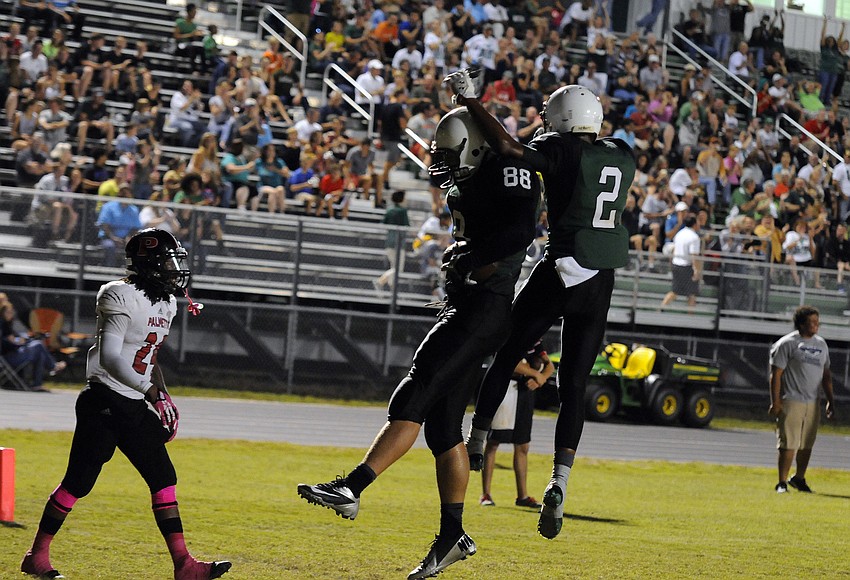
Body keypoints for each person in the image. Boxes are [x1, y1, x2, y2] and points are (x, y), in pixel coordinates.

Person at [297, 107, 539, 579]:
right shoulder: (470, 181)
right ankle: (453, 535)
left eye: (452, 152)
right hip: (469, 308)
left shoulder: (508, 171)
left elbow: (518, 232)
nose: (444, 161)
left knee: (414, 392)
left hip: (483, 308)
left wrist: (469, 259)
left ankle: (352, 488)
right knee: (443, 429)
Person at [448, 78, 635, 540]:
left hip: (563, 267)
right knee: (574, 385)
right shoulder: (623, 152)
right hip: (602, 278)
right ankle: (559, 483)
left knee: (508, 346)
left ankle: (479, 438)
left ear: (561, 120)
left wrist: (472, 102)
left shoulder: (561, 148)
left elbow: (512, 149)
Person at [20, 229, 231, 579]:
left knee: (163, 477)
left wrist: (162, 395)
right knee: (78, 484)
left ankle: (184, 565)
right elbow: (111, 358)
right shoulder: (119, 293)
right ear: (148, 263)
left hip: (132, 401)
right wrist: (150, 392)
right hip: (103, 399)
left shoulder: (167, 302)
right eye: (167, 261)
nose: (174, 268)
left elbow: (148, 357)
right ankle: (37, 555)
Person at [480, 339, 553, 510]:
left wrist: (540, 379)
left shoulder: (534, 341)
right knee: (493, 442)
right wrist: (534, 373)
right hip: (505, 390)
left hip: (524, 394)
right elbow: (509, 363)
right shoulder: (509, 335)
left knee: (522, 445)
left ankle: (522, 496)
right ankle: (486, 494)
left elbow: (549, 366)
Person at [769, 305, 835, 494]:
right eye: (811, 322)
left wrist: (830, 400)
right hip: (792, 399)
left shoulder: (821, 344)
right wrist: (776, 401)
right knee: (788, 442)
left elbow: (826, 375)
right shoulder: (787, 343)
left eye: (817, 322)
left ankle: (799, 478)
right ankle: (781, 482)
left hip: (813, 402)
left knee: (806, 443)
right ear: (801, 324)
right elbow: (776, 374)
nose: (815, 325)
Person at [1, 302, 65, 391]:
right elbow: (8, 342)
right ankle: (53, 366)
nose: (11, 314)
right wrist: (18, 342)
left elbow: (15, 338)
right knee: (38, 345)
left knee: (39, 353)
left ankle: (37, 384)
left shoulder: (8, 325)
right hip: (8, 358)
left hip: (14, 353)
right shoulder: (3, 325)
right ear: (2, 313)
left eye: (11, 312)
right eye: (8, 312)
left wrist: (24, 340)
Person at [660, 214, 702, 311]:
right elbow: (694, 256)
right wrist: (696, 270)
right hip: (686, 267)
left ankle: (662, 307)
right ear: (695, 224)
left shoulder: (679, 233)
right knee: (690, 294)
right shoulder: (694, 237)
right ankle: (690, 318)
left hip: (676, 265)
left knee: (678, 291)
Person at [375, 189, 410, 291]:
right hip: (399, 243)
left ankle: (392, 290)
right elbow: (406, 226)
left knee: (393, 267)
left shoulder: (389, 210)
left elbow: (383, 223)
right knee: (398, 269)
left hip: (389, 242)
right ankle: (380, 281)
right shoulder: (403, 211)